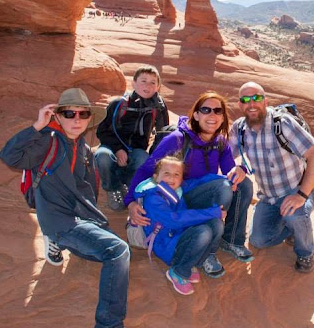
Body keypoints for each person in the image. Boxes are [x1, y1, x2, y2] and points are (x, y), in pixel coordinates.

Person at [0, 88, 130, 328]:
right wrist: (37, 126)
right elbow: (10, 156)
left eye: (83, 114)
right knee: (118, 251)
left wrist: (96, 220)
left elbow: (86, 188)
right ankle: (109, 324)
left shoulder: (83, 147)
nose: (77, 119)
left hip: (80, 219)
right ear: (57, 116)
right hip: (60, 221)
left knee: (112, 251)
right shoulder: (47, 140)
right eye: (69, 113)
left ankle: (60, 242)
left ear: (90, 118)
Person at [125, 91, 254, 278]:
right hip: (177, 199)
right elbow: (147, 170)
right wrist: (130, 202)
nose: (212, 115)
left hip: (200, 195)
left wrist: (240, 170)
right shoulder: (177, 139)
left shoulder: (221, 143)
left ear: (222, 117)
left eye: (218, 111)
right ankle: (209, 252)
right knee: (224, 187)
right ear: (196, 115)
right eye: (206, 110)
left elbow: (230, 174)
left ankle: (232, 239)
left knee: (243, 185)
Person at [229, 82, 314, 273]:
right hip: (269, 197)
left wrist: (301, 194)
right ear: (240, 105)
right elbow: (224, 155)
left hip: (298, 189)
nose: (251, 104)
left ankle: (306, 252)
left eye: (256, 98)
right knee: (258, 240)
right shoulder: (239, 129)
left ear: (265, 101)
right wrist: (239, 167)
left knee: (294, 213)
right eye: (245, 100)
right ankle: (292, 229)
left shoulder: (282, 124)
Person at [133, 156, 224, 295]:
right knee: (204, 231)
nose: (171, 178)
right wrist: (211, 212)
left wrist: (225, 178)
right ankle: (178, 271)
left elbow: (199, 181)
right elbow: (174, 220)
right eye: (166, 174)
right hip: (165, 245)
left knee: (216, 224)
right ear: (155, 177)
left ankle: (191, 262)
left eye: (176, 174)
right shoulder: (153, 198)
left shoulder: (176, 190)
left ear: (181, 179)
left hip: (178, 237)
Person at [95, 65, 169, 212]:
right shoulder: (118, 104)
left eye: (152, 82)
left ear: (158, 87)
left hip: (136, 149)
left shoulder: (158, 107)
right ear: (133, 83)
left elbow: (162, 134)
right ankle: (113, 188)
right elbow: (102, 131)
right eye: (143, 81)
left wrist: (154, 156)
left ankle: (130, 186)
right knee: (102, 156)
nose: (147, 86)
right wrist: (117, 149)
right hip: (112, 146)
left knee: (143, 159)